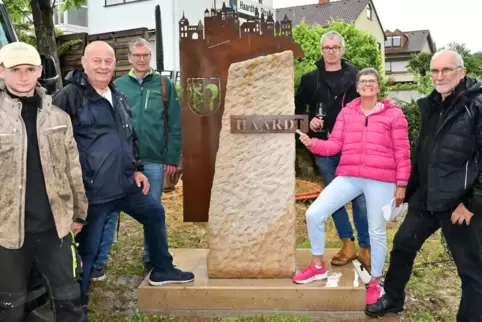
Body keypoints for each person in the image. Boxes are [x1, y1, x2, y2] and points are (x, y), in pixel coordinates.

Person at [51, 40, 194, 312]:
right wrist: (67, 197)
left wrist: (137, 168)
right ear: (84, 63)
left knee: (154, 213)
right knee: (89, 251)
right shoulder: (69, 96)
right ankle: (75, 302)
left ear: (115, 65)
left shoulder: (116, 94)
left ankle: (162, 268)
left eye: (108, 61)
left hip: (125, 186)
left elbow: (129, 136)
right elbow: (54, 147)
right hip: (93, 191)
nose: (103, 66)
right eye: (97, 61)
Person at [366, 50, 482, 321]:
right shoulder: (432, 104)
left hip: (459, 202)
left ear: (462, 72)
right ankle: (392, 300)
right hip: (427, 197)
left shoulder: (476, 105)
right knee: (403, 245)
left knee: (472, 271)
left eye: (447, 70)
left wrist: (471, 203)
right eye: (434, 71)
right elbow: (423, 152)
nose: (439, 76)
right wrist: (408, 187)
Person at [294, 68, 411, 305]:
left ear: (378, 87)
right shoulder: (347, 113)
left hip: (381, 178)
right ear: (357, 88)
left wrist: (401, 184)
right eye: (363, 81)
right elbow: (335, 144)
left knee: (376, 231)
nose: (367, 84)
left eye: (372, 81)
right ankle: (317, 266)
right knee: (314, 213)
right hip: (349, 175)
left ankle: (376, 282)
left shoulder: (394, 114)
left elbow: (403, 152)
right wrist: (312, 143)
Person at [0, 42, 88, 321]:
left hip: (56, 227)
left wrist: (79, 213)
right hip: (7, 231)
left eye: (29, 69)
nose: (24, 76)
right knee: (9, 306)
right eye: (16, 69)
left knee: (69, 300)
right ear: (2, 71)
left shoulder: (58, 117)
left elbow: (73, 168)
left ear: (40, 70)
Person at [91, 37, 182, 279]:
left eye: (146, 55)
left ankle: (152, 258)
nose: (142, 59)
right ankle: (98, 262)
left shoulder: (164, 85)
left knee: (152, 210)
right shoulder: (117, 85)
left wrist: (171, 156)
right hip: (119, 163)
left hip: (152, 159)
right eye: (137, 55)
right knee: (108, 212)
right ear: (129, 58)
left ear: (149, 57)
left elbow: (175, 123)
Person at [295, 31, 370, 270]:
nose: (331, 51)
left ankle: (366, 248)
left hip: (354, 146)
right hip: (324, 146)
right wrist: (308, 123)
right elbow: (297, 109)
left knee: (360, 198)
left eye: (335, 47)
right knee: (334, 198)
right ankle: (347, 244)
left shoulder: (356, 76)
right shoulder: (310, 79)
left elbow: (368, 106)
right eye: (327, 47)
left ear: (342, 50)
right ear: (321, 50)